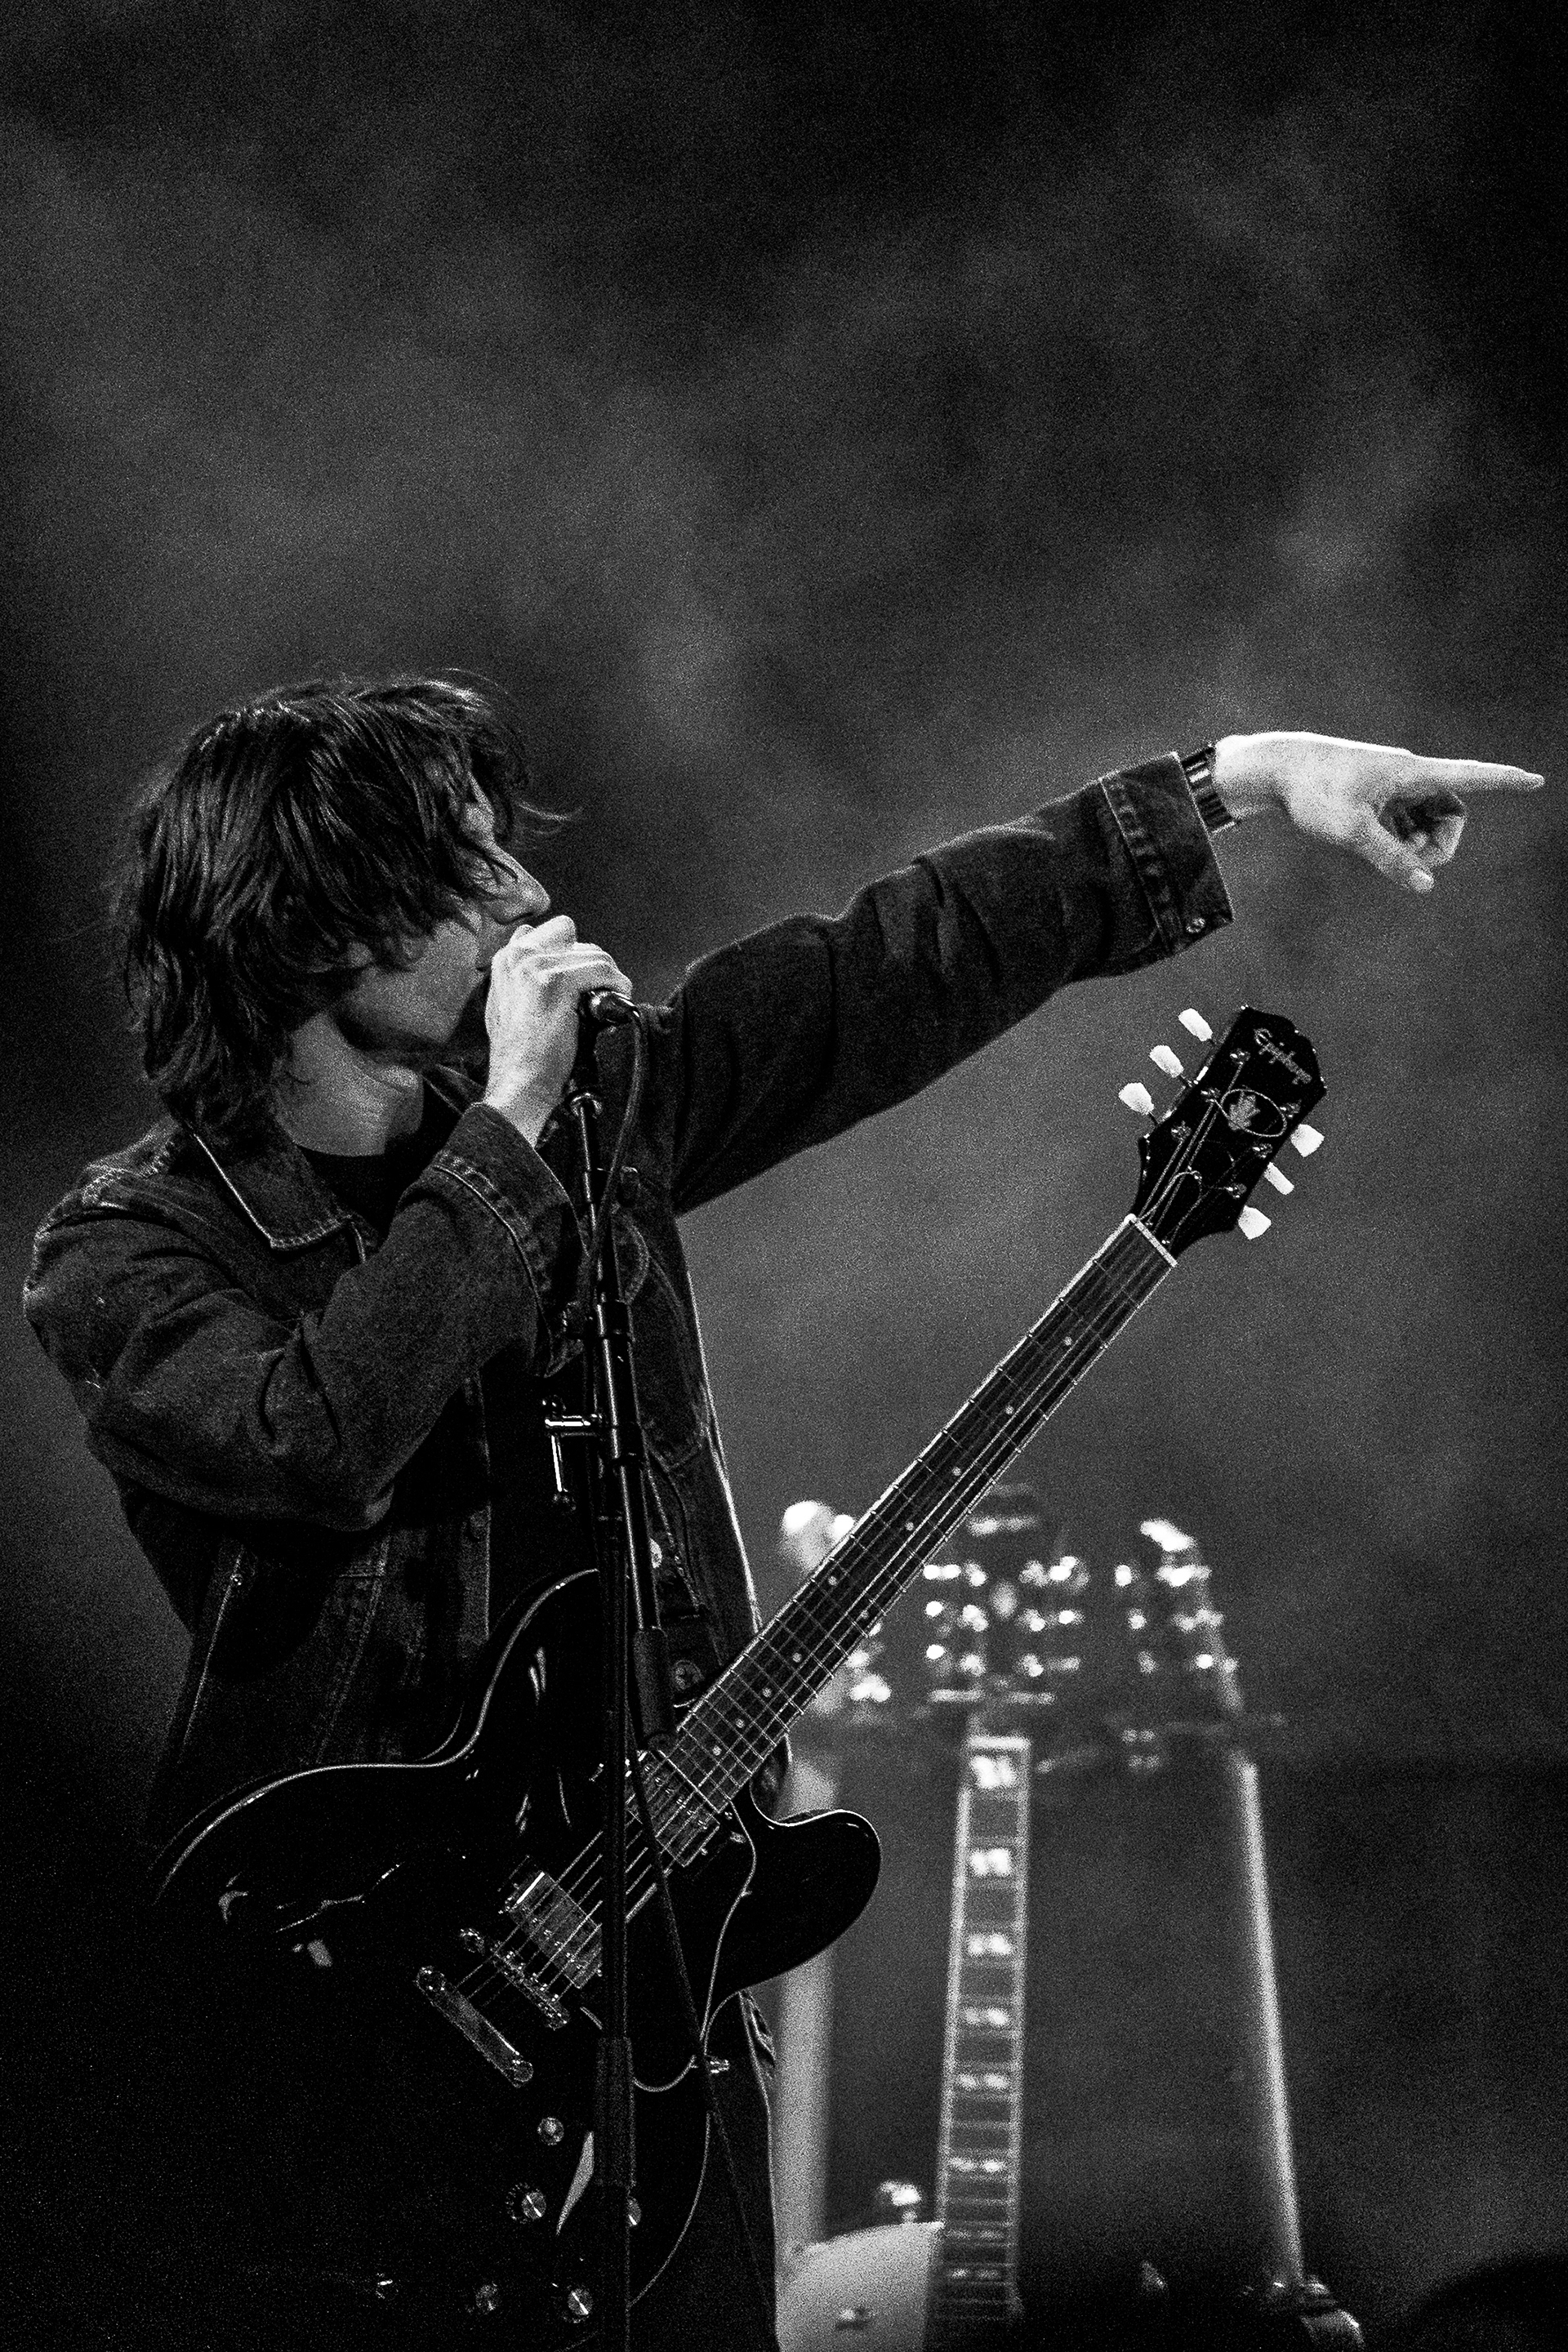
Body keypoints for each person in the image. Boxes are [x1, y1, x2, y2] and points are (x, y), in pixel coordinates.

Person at [23, 675, 1539, 2349]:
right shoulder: (132, 1252)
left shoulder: (596, 1123)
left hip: (650, 2016)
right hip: (343, 2052)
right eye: (460, 873)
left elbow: (885, 965)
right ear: (312, 933)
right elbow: (321, 1438)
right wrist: (510, 1123)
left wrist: (1244, 777)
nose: (524, 895)